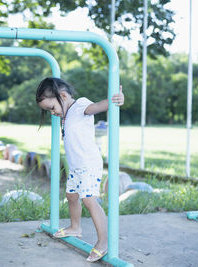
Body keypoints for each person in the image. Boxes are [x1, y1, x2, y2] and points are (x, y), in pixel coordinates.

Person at [35, 77, 124, 262]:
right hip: (76, 166)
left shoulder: (80, 106)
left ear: (63, 96)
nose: (52, 113)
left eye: (52, 108)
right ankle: (75, 227)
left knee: (89, 200)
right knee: (71, 196)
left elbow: (98, 106)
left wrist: (114, 100)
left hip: (89, 164)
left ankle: (104, 241)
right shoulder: (65, 115)